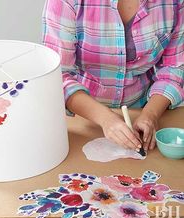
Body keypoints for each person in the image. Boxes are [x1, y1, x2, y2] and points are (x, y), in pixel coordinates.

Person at [42, 0, 184, 152]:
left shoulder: (174, 3)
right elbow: (57, 75)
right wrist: (106, 119)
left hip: (142, 110)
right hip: (81, 118)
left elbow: (174, 67)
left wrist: (151, 114)